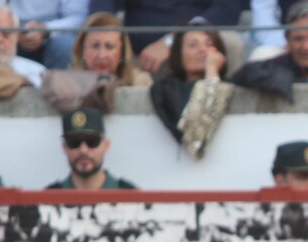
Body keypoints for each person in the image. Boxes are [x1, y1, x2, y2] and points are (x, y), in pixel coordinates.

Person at [87, 0, 246, 77]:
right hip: (139, 51)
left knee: (231, 42)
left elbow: (228, 9)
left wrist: (172, 41)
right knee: (101, 41)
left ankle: (232, 112)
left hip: (195, 40)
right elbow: (102, 8)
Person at [148, 18, 230, 155]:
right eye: (193, 45)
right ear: (178, 53)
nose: (202, 50)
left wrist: (212, 72)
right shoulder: (165, 89)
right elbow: (195, 138)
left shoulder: (231, 84)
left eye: (209, 44)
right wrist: (211, 71)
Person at [0, 0, 85, 70]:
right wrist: (12, 31)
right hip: (6, 29)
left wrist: (45, 29)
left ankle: (61, 99)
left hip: (52, 32)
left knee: (65, 47)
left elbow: (78, 17)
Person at [45, 108, 138, 190]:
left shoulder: (131, 198)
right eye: (74, 142)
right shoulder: (47, 200)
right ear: (64, 147)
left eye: (92, 142)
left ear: (106, 145)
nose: (83, 150)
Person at [70, 11, 153, 86]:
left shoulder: (140, 83)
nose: (102, 55)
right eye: (95, 46)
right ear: (82, 50)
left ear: (122, 51)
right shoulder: (69, 85)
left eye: (109, 47)